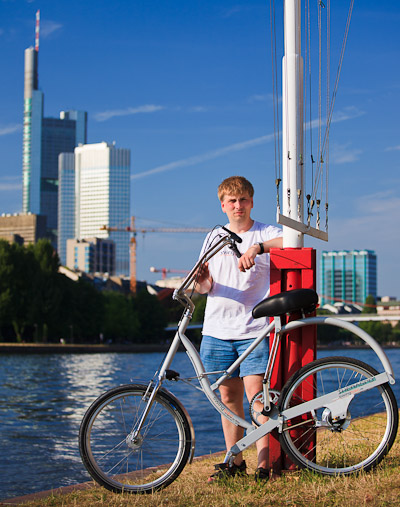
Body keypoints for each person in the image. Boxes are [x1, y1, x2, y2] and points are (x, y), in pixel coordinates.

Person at [195, 175, 283, 483]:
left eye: (243, 200)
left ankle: (264, 464)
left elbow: (294, 240)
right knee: (227, 399)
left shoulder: (265, 232)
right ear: (223, 206)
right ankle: (234, 461)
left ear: (251, 202)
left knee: (257, 398)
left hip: (253, 329)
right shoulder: (213, 237)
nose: (238, 206)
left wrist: (258, 248)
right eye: (232, 201)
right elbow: (207, 286)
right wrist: (201, 279)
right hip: (217, 329)